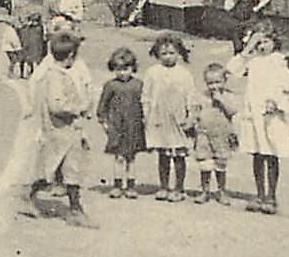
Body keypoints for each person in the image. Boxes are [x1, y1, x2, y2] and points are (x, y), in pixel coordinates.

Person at [24, 31, 99, 228]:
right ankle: (30, 196)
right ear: (71, 56)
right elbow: (57, 106)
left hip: (68, 132)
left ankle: (75, 208)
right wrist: (79, 108)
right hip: (59, 132)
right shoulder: (55, 78)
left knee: (71, 169)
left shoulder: (57, 74)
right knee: (49, 169)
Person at [229, 25, 289, 213]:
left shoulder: (282, 60)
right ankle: (259, 194)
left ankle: (271, 195)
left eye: (266, 42)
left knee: (271, 153)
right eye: (258, 42)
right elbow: (232, 70)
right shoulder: (252, 62)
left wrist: (277, 102)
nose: (262, 46)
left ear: (275, 42)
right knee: (257, 153)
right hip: (254, 113)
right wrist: (248, 49)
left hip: (272, 114)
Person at [142, 33, 195, 202]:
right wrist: (147, 115)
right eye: (164, 53)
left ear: (179, 53)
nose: (168, 57)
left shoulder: (184, 74)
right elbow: (146, 96)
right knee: (163, 155)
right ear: (157, 54)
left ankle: (179, 188)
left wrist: (191, 116)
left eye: (172, 53)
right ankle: (163, 186)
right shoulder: (152, 72)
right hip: (159, 119)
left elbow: (191, 97)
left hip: (178, 119)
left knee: (179, 155)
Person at [96, 47, 145, 199]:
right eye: (119, 69)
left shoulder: (138, 85)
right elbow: (102, 106)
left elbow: (145, 104)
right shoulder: (111, 86)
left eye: (126, 69)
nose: (122, 73)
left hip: (134, 126)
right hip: (117, 127)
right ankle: (117, 185)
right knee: (119, 157)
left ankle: (131, 186)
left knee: (131, 157)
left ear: (133, 68)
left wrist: (145, 120)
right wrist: (104, 122)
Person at [192, 62, 239, 205]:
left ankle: (221, 191)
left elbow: (232, 111)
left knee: (220, 163)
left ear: (225, 81)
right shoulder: (202, 96)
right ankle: (204, 191)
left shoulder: (229, 96)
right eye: (210, 83)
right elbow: (195, 111)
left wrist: (221, 100)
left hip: (222, 135)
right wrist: (193, 120)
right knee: (204, 163)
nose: (214, 86)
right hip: (203, 134)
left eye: (217, 82)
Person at [17, 13, 47, 78]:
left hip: (31, 46)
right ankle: (26, 73)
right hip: (29, 46)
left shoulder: (33, 28)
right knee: (27, 60)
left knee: (30, 60)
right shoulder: (30, 28)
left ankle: (29, 73)